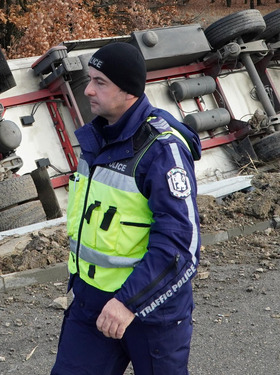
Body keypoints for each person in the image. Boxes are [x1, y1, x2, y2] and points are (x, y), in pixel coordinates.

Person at [51, 41, 202, 375]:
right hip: (91, 303)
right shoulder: (96, 139)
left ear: (130, 90)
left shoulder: (162, 150)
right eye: (90, 79)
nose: (88, 90)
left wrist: (128, 303)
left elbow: (181, 246)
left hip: (151, 309)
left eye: (100, 82)